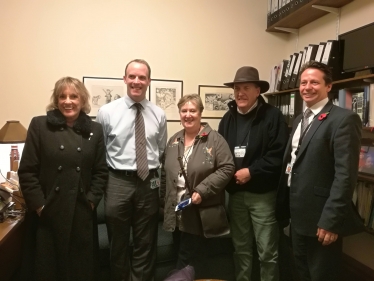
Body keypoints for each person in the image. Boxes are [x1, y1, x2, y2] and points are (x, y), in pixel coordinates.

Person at [276, 61, 364, 281]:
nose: (307, 87)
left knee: (322, 275)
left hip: (321, 219)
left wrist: (330, 221)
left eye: (314, 82)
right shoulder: (299, 120)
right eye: (303, 82)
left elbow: (345, 176)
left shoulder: (343, 119)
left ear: (328, 86)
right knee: (302, 272)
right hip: (297, 215)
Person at [18, 76, 108, 280]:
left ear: (82, 100)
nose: (68, 101)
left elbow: (101, 171)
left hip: (81, 212)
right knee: (48, 269)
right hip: (48, 212)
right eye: (63, 96)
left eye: (74, 96)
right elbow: (27, 171)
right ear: (56, 100)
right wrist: (40, 205)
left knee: (79, 270)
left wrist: (92, 201)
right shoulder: (40, 125)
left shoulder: (95, 130)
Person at [96, 59, 167, 281]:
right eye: (132, 76)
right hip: (117, 181)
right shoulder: (107, 112)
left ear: (149, 81)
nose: (137, 81)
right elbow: (100, 150)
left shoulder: (159, 114)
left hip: (149, 182)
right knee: (118, 242)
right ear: (125, 79)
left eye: (142, 77)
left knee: (146, 241)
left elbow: (161, 149)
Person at [218, 66, 288, 281]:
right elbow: (220, 154)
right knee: (240, 249)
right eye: (237, 88)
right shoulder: (227, 118)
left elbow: (279, 155)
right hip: (236, 196)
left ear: (258, 91)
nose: (240, 93)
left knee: (267, 252)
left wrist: (252, 172)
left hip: (263, 197)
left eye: (246, 87)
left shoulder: (273, 116)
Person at [161, 94, 235, 270]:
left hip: (198, 212)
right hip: (176, 212)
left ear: (200, 113)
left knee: (189, 261)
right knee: (180, 255)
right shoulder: (174, 140)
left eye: (192, 110)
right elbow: (165, 173)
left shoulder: (215, 139)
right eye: (184, 111)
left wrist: (202, 190)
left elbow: (227, 168)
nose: (188, 115)